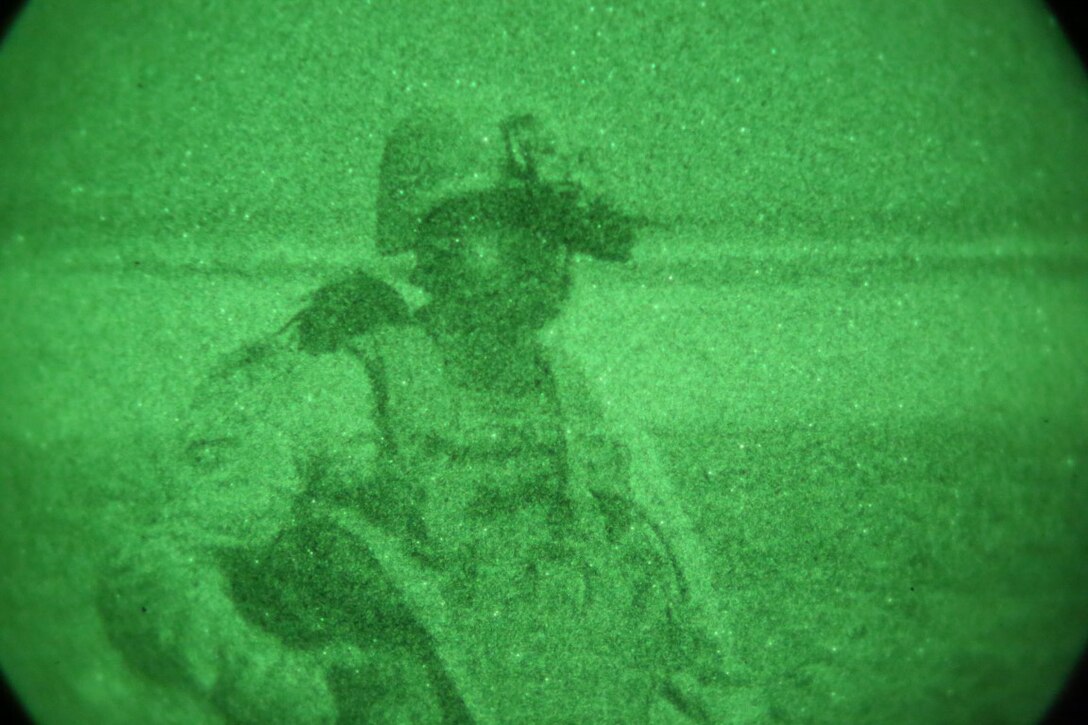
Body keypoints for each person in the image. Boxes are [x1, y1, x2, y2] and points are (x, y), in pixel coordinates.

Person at [98, 105, 760, 722]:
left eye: (552, 226)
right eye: (506, 222)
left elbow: (681, 588)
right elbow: (157, 565)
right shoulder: (344, 385)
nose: (543, 251)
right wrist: (282, 687)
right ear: (434, 240)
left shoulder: (584, 400)